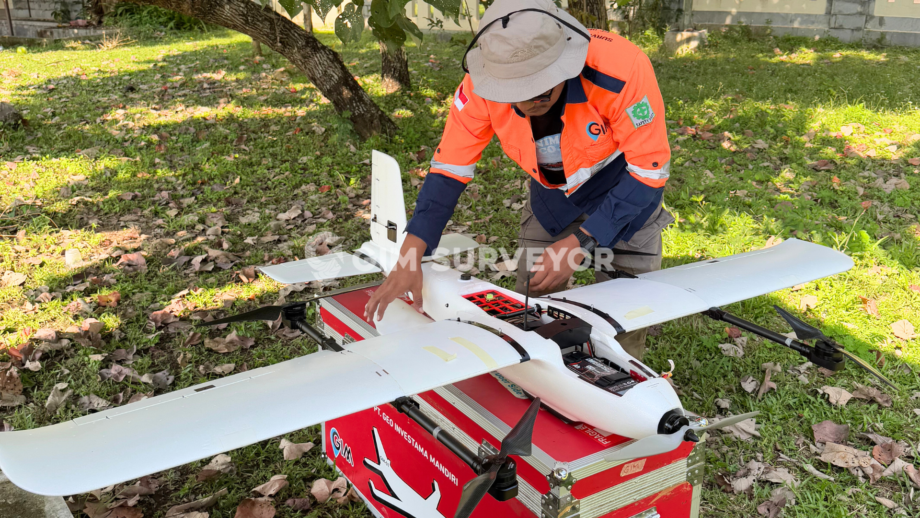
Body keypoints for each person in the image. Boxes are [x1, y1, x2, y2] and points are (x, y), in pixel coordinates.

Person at [365, 0, 673, 360]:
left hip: (626, 191)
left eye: (541, 92)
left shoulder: (621, 69)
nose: (529, 105)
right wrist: (410, 256)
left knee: (628, 311)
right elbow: (449, 169)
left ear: (565, 67)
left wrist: (582, 243)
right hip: (551, 198)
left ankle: (621, 381)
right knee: (531, 305)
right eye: (514, 96)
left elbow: (649, 170)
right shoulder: (480, 86)